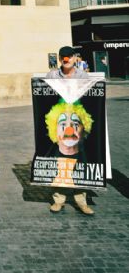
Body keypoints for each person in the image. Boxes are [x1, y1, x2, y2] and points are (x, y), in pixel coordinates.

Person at [46, 45, 94, 216]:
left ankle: (81, 200)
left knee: (79, 162)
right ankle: (59, 199)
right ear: (59, 59)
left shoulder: (82, 76)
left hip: (77, 121)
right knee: (62, 162)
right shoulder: (52, 75)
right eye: (63, 57)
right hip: (59, 121)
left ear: (74, 58)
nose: (66, 60)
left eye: (69, 57)